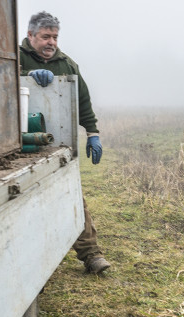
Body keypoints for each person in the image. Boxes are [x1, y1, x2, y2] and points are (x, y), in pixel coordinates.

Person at [21, 11, 110, 275]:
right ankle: (33, 262)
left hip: (58, 145)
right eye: (45, 36)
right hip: (20, 147)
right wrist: (26, 75)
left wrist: (93, 133)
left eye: (55, 37)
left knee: (72, 196)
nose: (51, 42)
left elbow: (82, 100)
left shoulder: (67, 64)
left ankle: (91, 255)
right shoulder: (13, 59)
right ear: (30, 36)